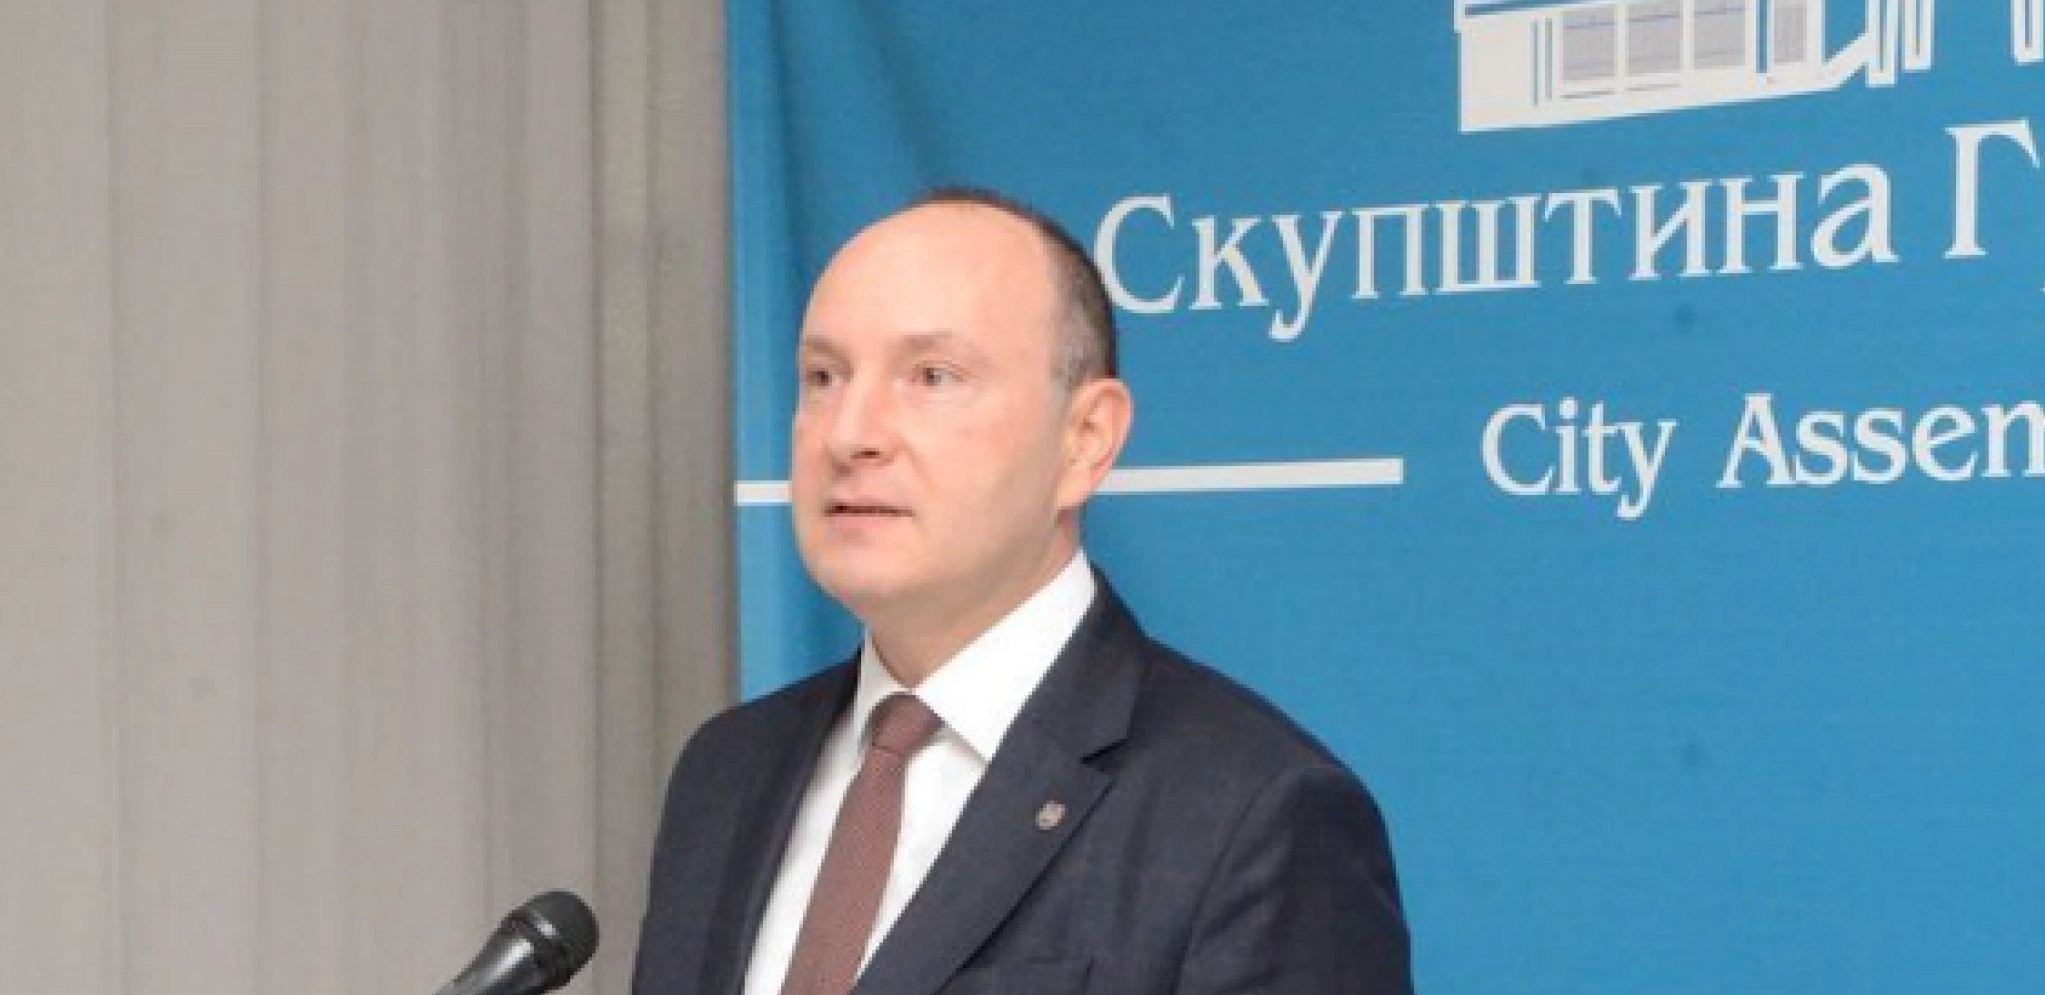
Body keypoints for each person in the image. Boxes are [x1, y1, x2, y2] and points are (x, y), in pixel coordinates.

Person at [632, 189, 1413, 995]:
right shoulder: (725, 771)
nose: (849, 432)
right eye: (823, 376)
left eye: (931, 376)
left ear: (1085, 440)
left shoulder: (1253, 814)